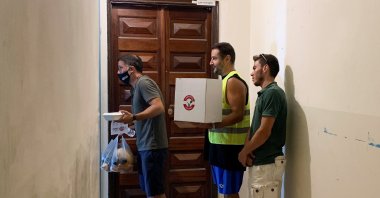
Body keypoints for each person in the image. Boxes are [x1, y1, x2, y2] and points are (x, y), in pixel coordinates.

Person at [179, 42, 250, 198]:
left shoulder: (233, 82)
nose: (211, 62)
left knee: (230, 193)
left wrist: (211, 123)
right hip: (218, 144)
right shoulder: (222, 82)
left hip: (230, 147)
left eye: (214, 58)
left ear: (227, 59)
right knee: (224, 191)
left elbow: (237, 114)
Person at [116, 54, 168, 198]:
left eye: (121, 68)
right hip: (146, 146)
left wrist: (134, 117)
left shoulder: (144, 83)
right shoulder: (136, 87)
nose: (118, 73)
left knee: (155, 193)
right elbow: (147, 116)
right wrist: (131, 123)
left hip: (153, 147)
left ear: (131, 69)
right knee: (151, 191)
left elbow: (158, 107)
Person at [238, 54, 287, 198]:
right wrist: (247, 149)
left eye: (255, 68)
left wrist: (243, 152)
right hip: (261, 164)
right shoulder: (265, 94)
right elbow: (256, 127)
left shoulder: (272, 93)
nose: (251, 72)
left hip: (267, 165)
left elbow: (264, 131)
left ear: (265, 68)